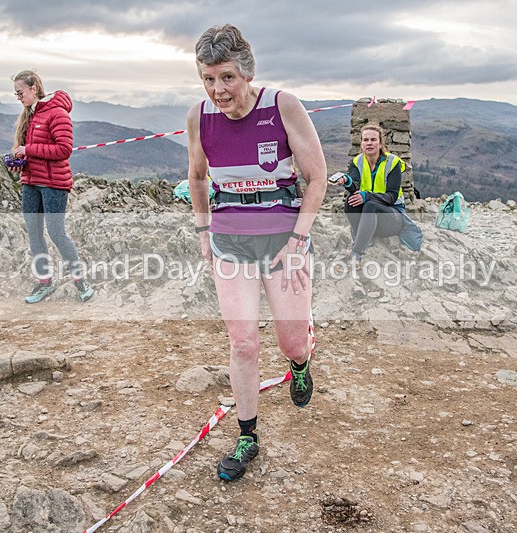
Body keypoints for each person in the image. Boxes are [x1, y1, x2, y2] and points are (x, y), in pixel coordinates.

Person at [186, 24, 327, 482]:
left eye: (226, 77)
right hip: (230, 240)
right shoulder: (199, 117)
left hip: (284, 239)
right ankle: (248, 435)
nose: (217, 90)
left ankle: (300, 363)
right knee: (243, 341)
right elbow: (198, 176)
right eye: (208, 79)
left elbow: (318, 177)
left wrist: (298, 239)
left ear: (246, 72)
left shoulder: (282, 105)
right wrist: (203, 229)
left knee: (290, 340)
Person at [9, 69, 94, 303]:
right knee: (34, 234)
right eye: (16, 95)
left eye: (20, 93)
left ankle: (81, 281)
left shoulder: (57, 113)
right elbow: (35, 150)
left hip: (54, 183)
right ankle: (44, 283)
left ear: (34, 88)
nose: (19, 98)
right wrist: (20, 162)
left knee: (57, 233)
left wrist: (28, 150)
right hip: (31, 182)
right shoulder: (30, 115)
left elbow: (63, 150)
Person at [331, 124, 407, 262]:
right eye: (365, 140)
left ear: (380, 143)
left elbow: (392, 196)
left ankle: (356, 252)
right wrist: (347, 181)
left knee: (370, 204)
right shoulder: (357, 162)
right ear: (361, 143)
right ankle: (363, 235)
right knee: (350, 200)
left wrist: (367, 196)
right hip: (371, 218)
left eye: (373, 139)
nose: (369, 143)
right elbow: (355, 186)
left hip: (393, 218)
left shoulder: (393, 162)